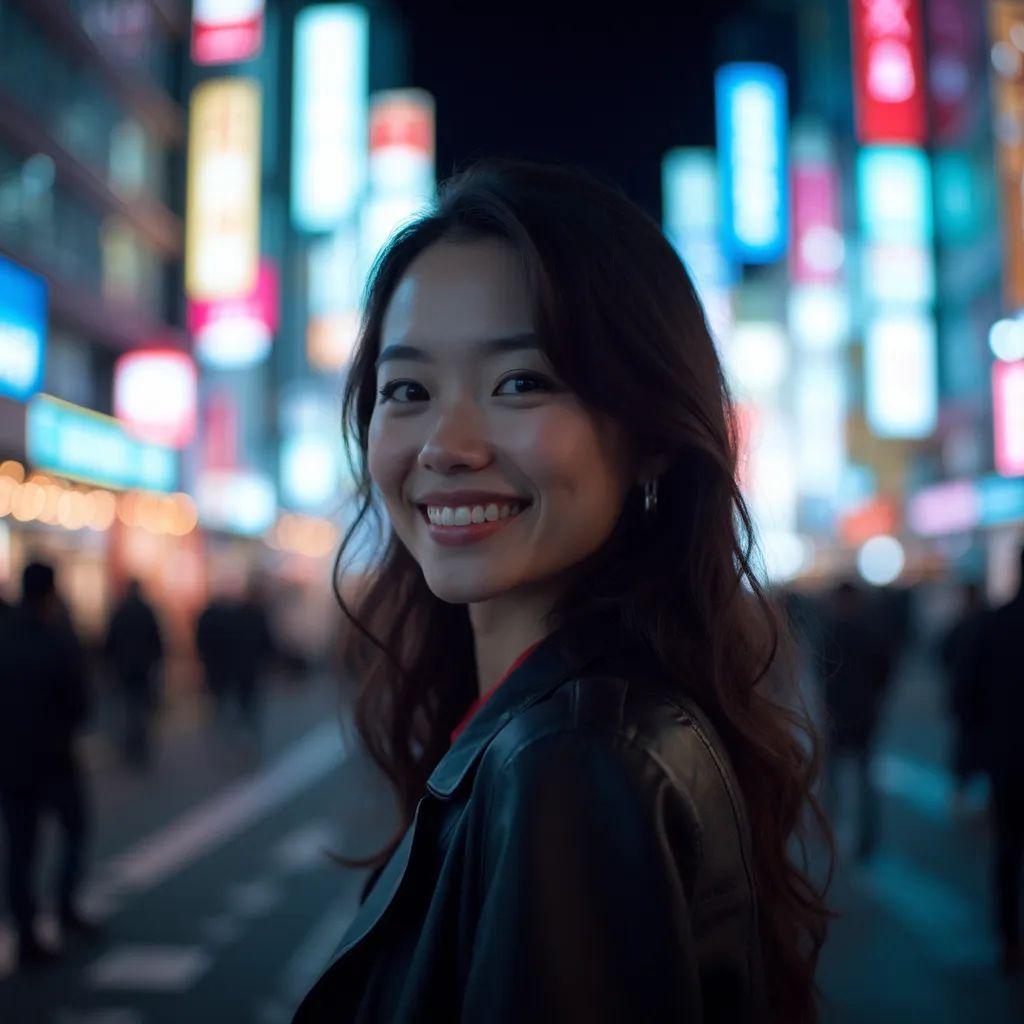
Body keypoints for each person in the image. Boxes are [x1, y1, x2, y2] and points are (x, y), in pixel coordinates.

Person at [292, 160, 831, 1024]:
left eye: (521, 382)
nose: (446, 445)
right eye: (407, 390)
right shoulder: (554, 724)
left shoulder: (575, 757)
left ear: (651, 435)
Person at [0, 561, 95, 968]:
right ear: (51, 591)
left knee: (21, 851)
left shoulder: (3, 634)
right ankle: (65, 908)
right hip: (54, 758)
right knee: (74, 831)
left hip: (10, 760)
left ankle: (26, 935)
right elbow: (79, 701)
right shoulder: (57, 636)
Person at [966, 547, 1024, 975]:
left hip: (1008, 760)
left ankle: (1009, 941)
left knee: (1007, 852)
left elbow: (968, 694)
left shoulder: (996, 623)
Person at [818, 581, 893, 862]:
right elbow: (884, 672)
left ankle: (838, 833)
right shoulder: (867, 631)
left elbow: (821, 673)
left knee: (845, 777)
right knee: (857, 778)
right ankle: (860, 838)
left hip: (847, 714)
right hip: (858, 713)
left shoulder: (834, 631)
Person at [938, 581, 988, 815]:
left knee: (967, 749)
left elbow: (943, 653)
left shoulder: (967, 624)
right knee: (971, 749)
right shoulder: (981, 623)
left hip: (971, 701)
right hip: (978, 702)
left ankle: (964, 795)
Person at [104, 578, 164, 770]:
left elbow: (110, 640)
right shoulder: (146, 611)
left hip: (124, 667)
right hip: (142, 667)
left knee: (128, 707)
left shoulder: (120, 611)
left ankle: (130, 745)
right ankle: (138, 744)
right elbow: (156, 639)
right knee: (139, 707)